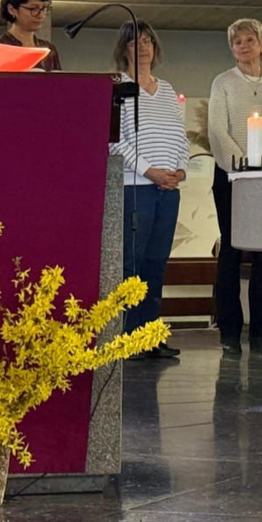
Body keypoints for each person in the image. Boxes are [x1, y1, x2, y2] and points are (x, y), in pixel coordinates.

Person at [208, 19, 262, 356]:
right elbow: (217, 130)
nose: (243, 46)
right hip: (231, 177)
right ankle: (229, 332)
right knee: (230, 251)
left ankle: (261, 333)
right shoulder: (222, 83)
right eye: (236, 42)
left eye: (249, 39)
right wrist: (240, 166)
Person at [113, 21, 186, 359]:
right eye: (134, 42)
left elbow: (179, 134)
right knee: (133, 264)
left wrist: (180, 170)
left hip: (168, 190)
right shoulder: (117, 87)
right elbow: (114, 142)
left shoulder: (167, 89)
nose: (142, 48)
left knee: (156, 263)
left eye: (147, 42)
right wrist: (150, 171)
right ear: (124, 49)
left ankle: (151, 335)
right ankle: (128, 338)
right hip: (137, 187)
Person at [0, 0, 61, 71]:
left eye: (44, 8)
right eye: (34, 8)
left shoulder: (49, 49)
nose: (41, 15)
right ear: (12, 9)